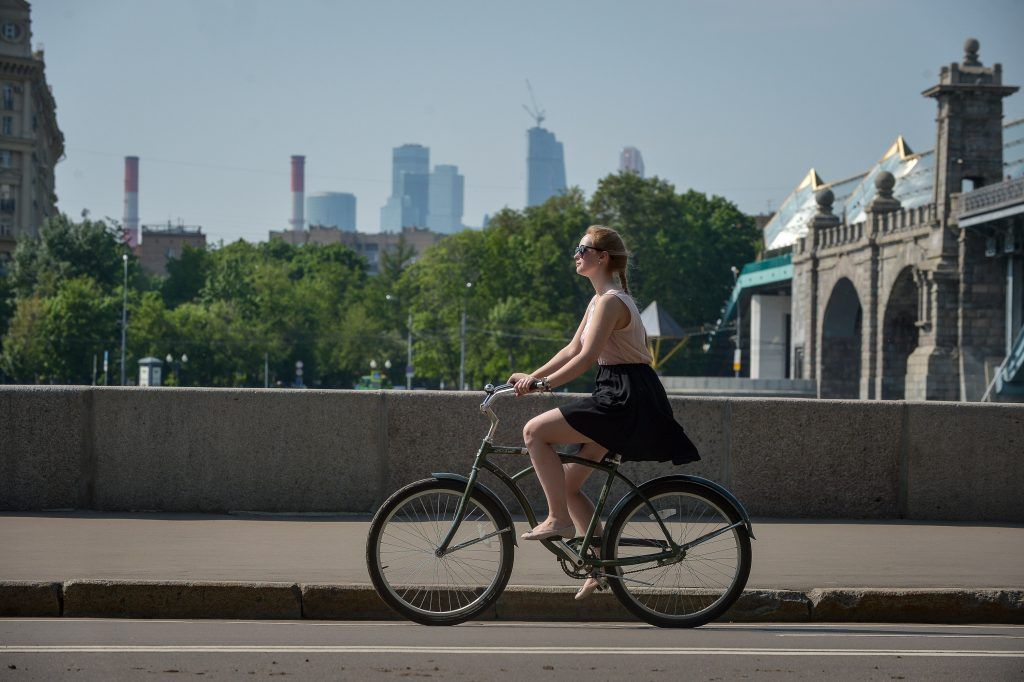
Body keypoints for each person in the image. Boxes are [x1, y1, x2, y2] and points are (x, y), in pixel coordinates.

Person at [507, 225, 700, 600]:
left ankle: (558, 520)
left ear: (603, 257)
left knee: (534, 432)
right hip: (619, 392)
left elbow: (587, 357)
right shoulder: (599, 300)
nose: (576, 254)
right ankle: (598, 565)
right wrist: (534, 375)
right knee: (566, 484)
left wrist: (544, 387)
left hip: (624, 396)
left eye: (583, 248)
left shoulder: (613, 301)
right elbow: (569, 349)